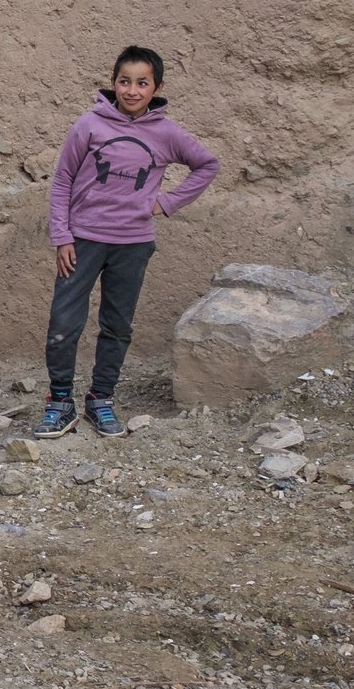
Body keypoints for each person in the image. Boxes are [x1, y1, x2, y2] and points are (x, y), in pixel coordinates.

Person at [37, 46, 219, 439]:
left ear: (157, 87)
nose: (132, 90)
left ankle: (101, 399)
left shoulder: (166, 133)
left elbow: (207, 164)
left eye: (142, 83)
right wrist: (61, 236)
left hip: (132, 243)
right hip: (82, 240)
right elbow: (63, 180)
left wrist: (167, 202)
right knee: (63, 322)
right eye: (124, 81)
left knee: (117, 325)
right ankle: (60, 402)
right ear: (113, 82)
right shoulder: (89, 124)